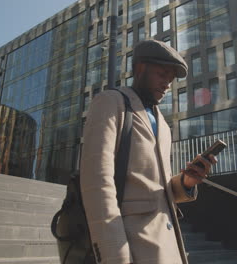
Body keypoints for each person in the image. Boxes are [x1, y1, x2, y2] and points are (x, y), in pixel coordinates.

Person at [80, 39, 217, 264]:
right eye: (162, 75)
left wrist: (186, 182)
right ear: (140, 68)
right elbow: (96, 181)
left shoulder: (163, 123)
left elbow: (156, 186)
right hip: (131, 245)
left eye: (171, 80)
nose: (167, 84)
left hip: (166, 244)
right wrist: (114, 253)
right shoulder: (110, 102)